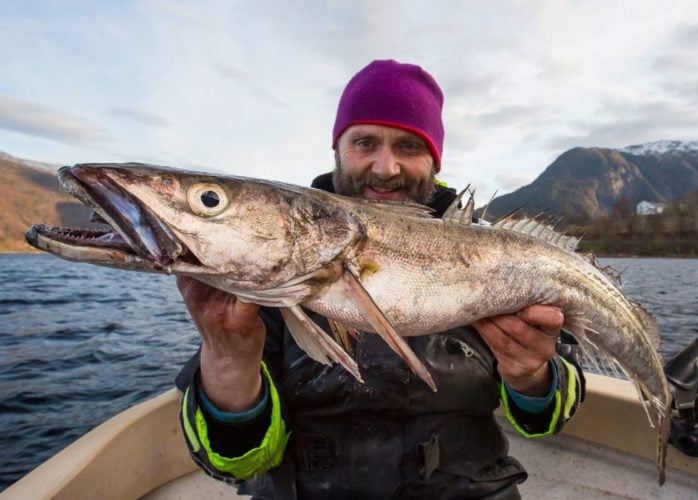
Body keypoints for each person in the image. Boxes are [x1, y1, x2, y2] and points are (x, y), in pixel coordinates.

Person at [175, 59, 585, 499]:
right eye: (365, 142)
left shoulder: (496, 256)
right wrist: (228, 363)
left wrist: (532, 379)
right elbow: (235, 461)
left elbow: (548, 418)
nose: (385, 168)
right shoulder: (274, 259)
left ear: (435, 159)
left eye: (409, 146)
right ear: (338, 150)